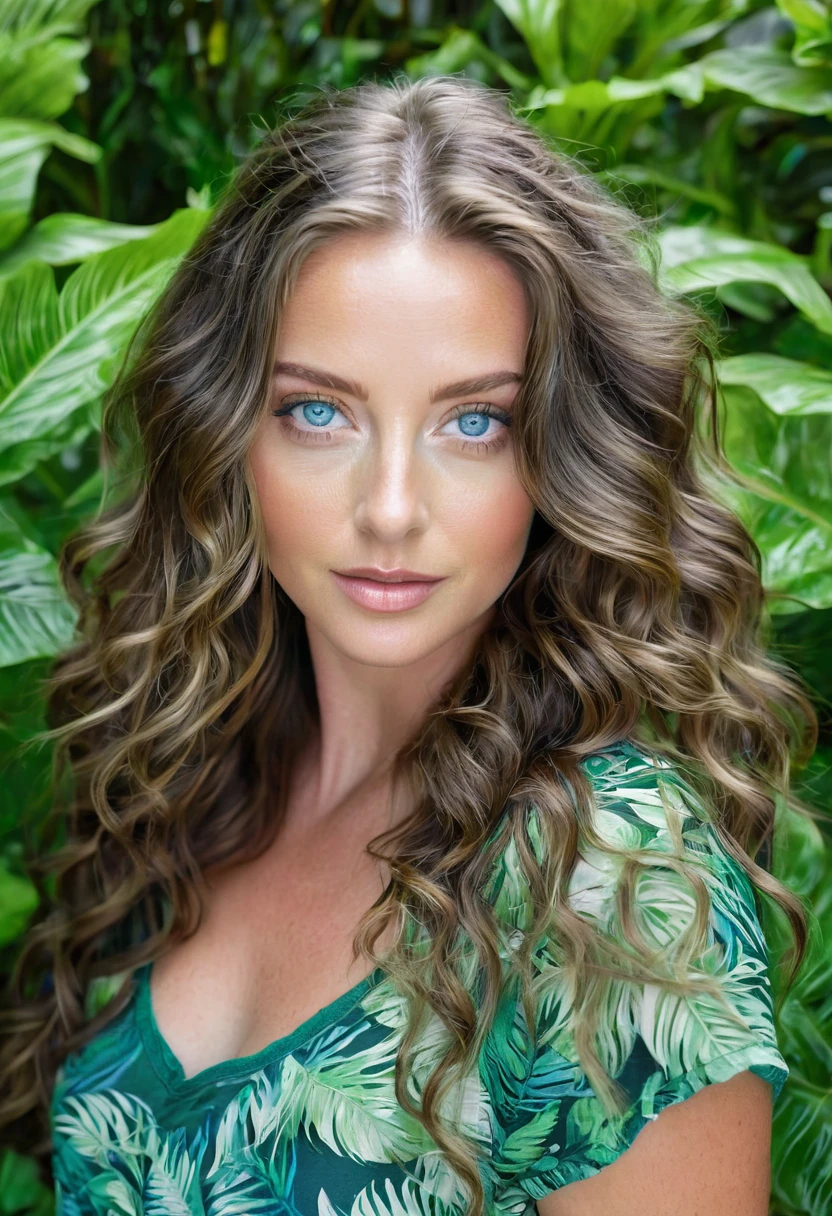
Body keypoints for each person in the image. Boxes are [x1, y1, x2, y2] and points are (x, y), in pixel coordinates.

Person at [0, 73, 815, 1216]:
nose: (390, 506)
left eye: (473, 421)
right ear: (227, 428)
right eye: (318, 412)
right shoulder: (188, 766)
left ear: (559, 451)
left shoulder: (616, 880)